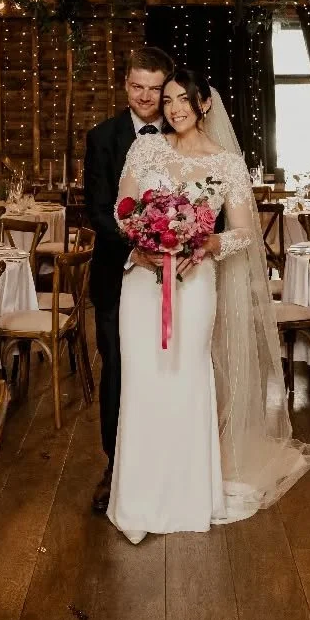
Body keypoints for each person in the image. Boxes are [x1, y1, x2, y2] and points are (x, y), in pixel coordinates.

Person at [107, 69, 310, 542]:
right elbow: (123, 209)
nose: (174, 108)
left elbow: (245, 232)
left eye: (184, 99)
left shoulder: (227, 163)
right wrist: (144, 241)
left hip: (195, 281)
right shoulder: (146, 148)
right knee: (142, 382)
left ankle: (186, 497)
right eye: (167, 100)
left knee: (187, 378)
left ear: (204, 104)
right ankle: (137, 501)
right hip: (143, 281)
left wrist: (205, 243)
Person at [83, 46, 176, 513]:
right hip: (118, 276)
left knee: (169, 370)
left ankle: (165, 462)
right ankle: (115, 464)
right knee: (118, 370)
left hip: (178, 279)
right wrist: (136, 246)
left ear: (166, 88)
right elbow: (96, 210)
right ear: (125, 84)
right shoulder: (102, 137)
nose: (145, 96)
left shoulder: (183, 136)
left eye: (154, 89)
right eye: (136, 86)